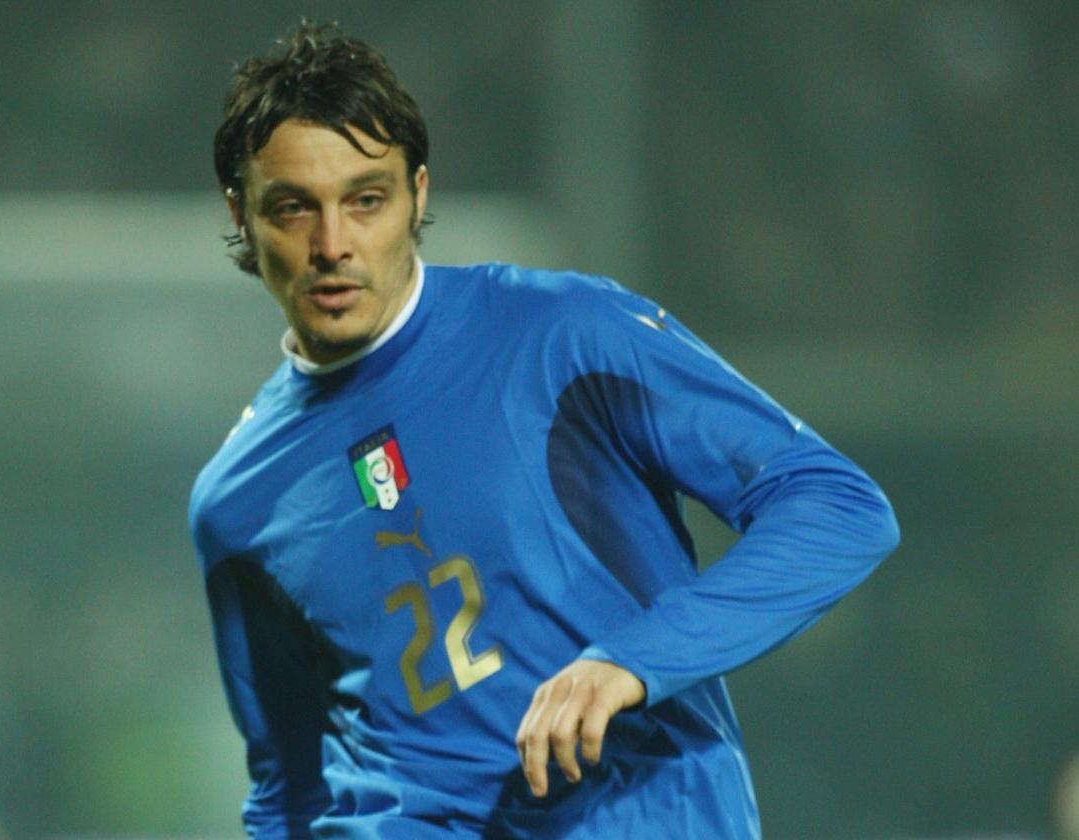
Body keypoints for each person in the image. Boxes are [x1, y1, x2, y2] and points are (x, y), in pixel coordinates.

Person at [189, 21, 899, 839]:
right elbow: (289, 793)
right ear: (241, 215)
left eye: (366, 200)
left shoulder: (558, 336)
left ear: (418, 195)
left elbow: (838, 507)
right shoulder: (236, 502)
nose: (332, 244)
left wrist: (631, 660)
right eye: (292, 209)